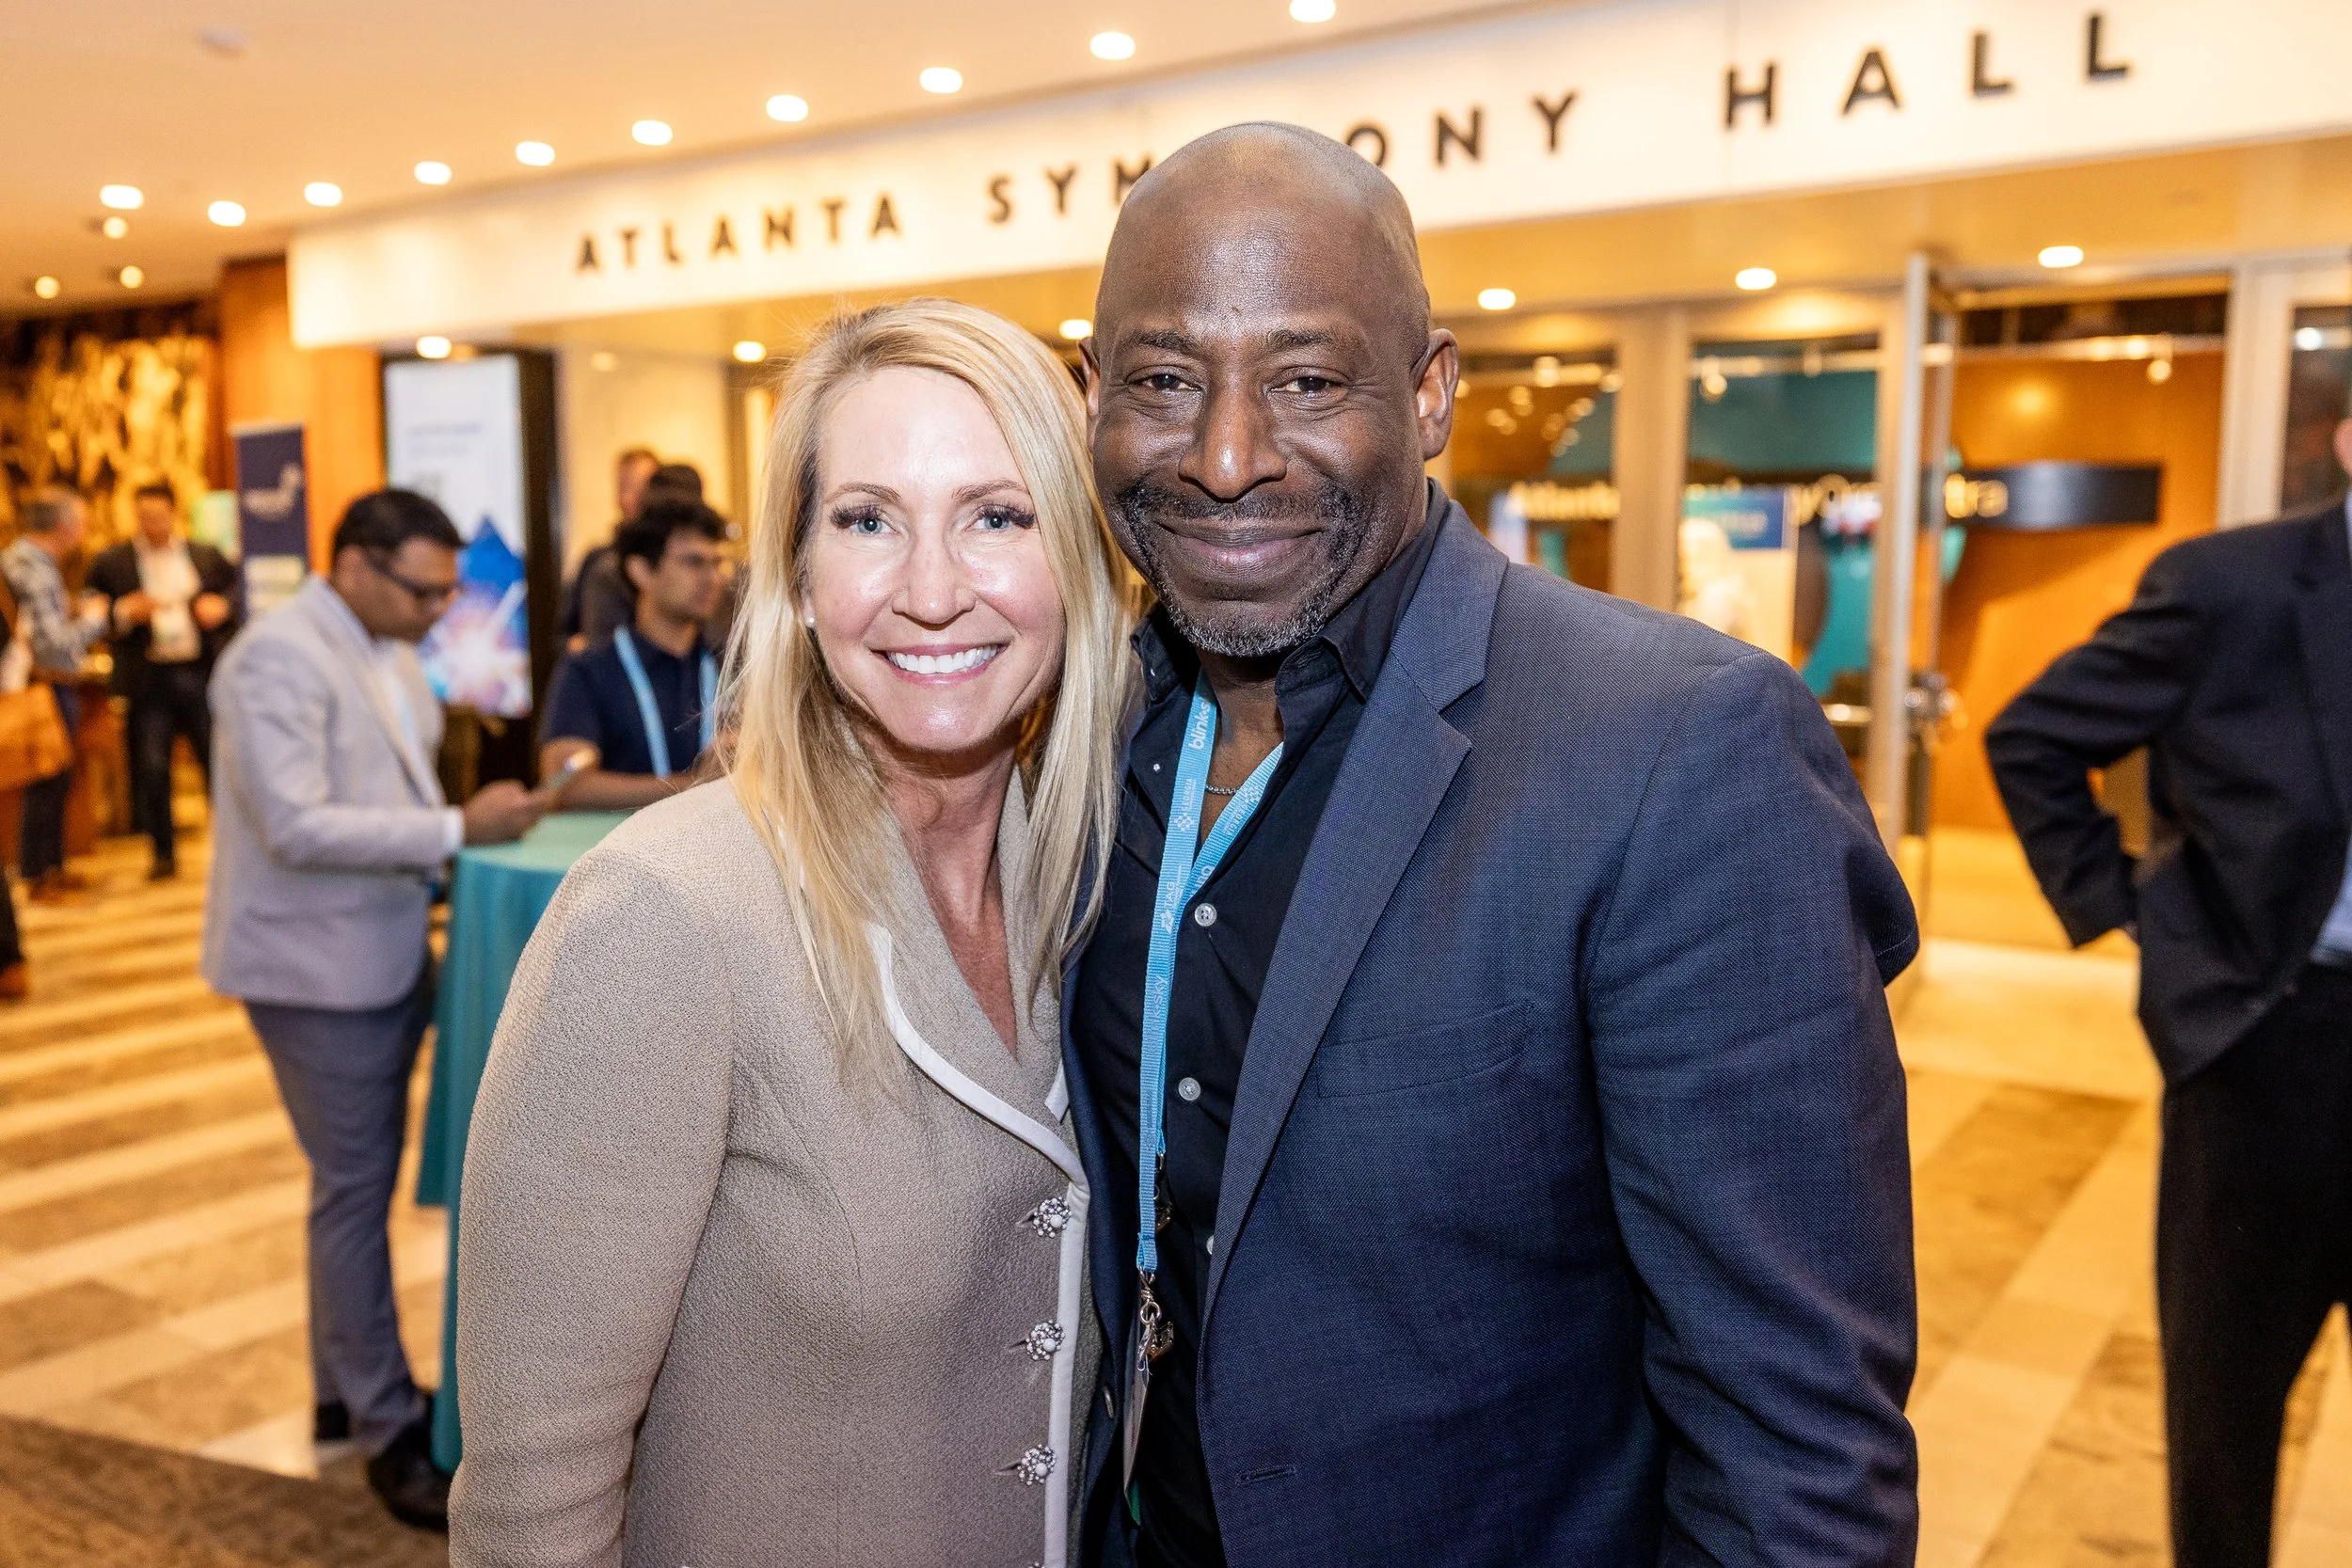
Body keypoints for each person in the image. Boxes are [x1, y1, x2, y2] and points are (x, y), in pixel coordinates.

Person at [1063, 124, 1920, 1568]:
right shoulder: (1072, 731)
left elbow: (1800, 1447)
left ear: (1433, 392)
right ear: (1089, 397)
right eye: (1161, 380)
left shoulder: (1678, 748)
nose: (1224, 456)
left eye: (1307, 379)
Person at [451, 299, 1131, 1568]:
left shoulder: (1089, 880)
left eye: (997, 514)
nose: (933, 590)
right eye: (867, 519)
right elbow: (532, 1506)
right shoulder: (664, 915)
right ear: (802, 580)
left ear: (1079, 564)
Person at [1985, 413, 2352, 1568]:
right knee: (2226, 1403)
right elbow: (2032, 735)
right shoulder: (2229, 588)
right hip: (2267, 1048)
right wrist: (2143, 919)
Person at [202, 489, 548, 1532]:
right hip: (313, 967)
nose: (442, 608)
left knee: (351, 1183)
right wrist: (454, 826)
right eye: (425, 587)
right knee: (353, 1192)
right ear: (354, 563)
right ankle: (388, 1428)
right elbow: (298, 822)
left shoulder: (383, 647)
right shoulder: (278, 656)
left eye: (453, 589)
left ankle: (337, 1387)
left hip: (382, 944)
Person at [86, 481, 242, 879]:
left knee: (218, 763)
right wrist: (124, 612)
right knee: (153, 767)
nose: (152, 524)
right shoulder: (112, 562)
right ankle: (163, 853)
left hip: (200, 672)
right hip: (149, 678)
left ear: (173, 513)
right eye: (143, 517)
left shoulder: (205, 557)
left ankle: (234, 849)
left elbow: (239, 592)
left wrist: (221, 606)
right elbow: (92, 615)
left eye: (158, 515)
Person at [537, 499, 728, 809]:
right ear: (641, 571)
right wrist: (695, 786)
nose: (712, 578)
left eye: (716, 563)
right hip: (619, 852)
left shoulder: (732, 665)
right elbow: (564, 785)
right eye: (694, 563)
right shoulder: (590, 669)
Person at [1, 486, 109, 904]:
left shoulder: (23, 561)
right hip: (43, 684)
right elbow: (54, 645)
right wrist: (100, 619)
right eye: (80, 522)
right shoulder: (34, 567)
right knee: (46, 780)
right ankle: (39, 876)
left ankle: (51, 869)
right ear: (64, 526)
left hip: (38, 682)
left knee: (55, 779)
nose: (83, 530)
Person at [569, 459, 706, 649]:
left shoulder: (725, 580)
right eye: (692, 563)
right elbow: (569, 635)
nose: (627, 499)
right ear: (641, 571)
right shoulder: (604, 569)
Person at [559, 446, 659, 650]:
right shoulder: (596, 562)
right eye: (623, 488)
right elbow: (563, 634)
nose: (629, 499)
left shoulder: (669, 563)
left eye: (639, 489)